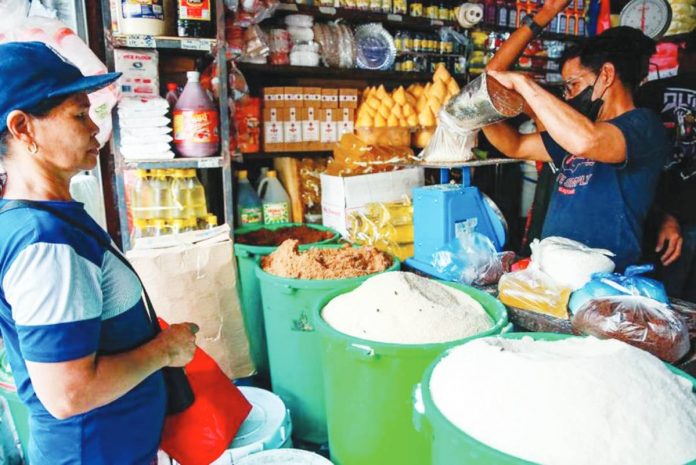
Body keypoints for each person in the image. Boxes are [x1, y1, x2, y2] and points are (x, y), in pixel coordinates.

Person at [0, 42, 198, 464]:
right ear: (23, 128)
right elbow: (69, 393)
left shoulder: (48, 218)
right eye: (78, 114)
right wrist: (164, 349)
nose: (95, 128)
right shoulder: (44, 243)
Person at [480, 26, 671, 271]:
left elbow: (586, 142)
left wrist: (523, 83)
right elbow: (515, 145)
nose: (569, 95)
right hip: (554, 270)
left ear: (606, 75)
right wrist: (479, 111)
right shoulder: (580, 128)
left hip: (603, 278)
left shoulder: (643, 125)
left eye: (573, 85)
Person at [636, 31, 696, 300]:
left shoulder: (650, 92)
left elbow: (633, 155)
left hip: (656, 211)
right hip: (678, 213)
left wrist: (659, 211)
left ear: (683, 53)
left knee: (653, 300)